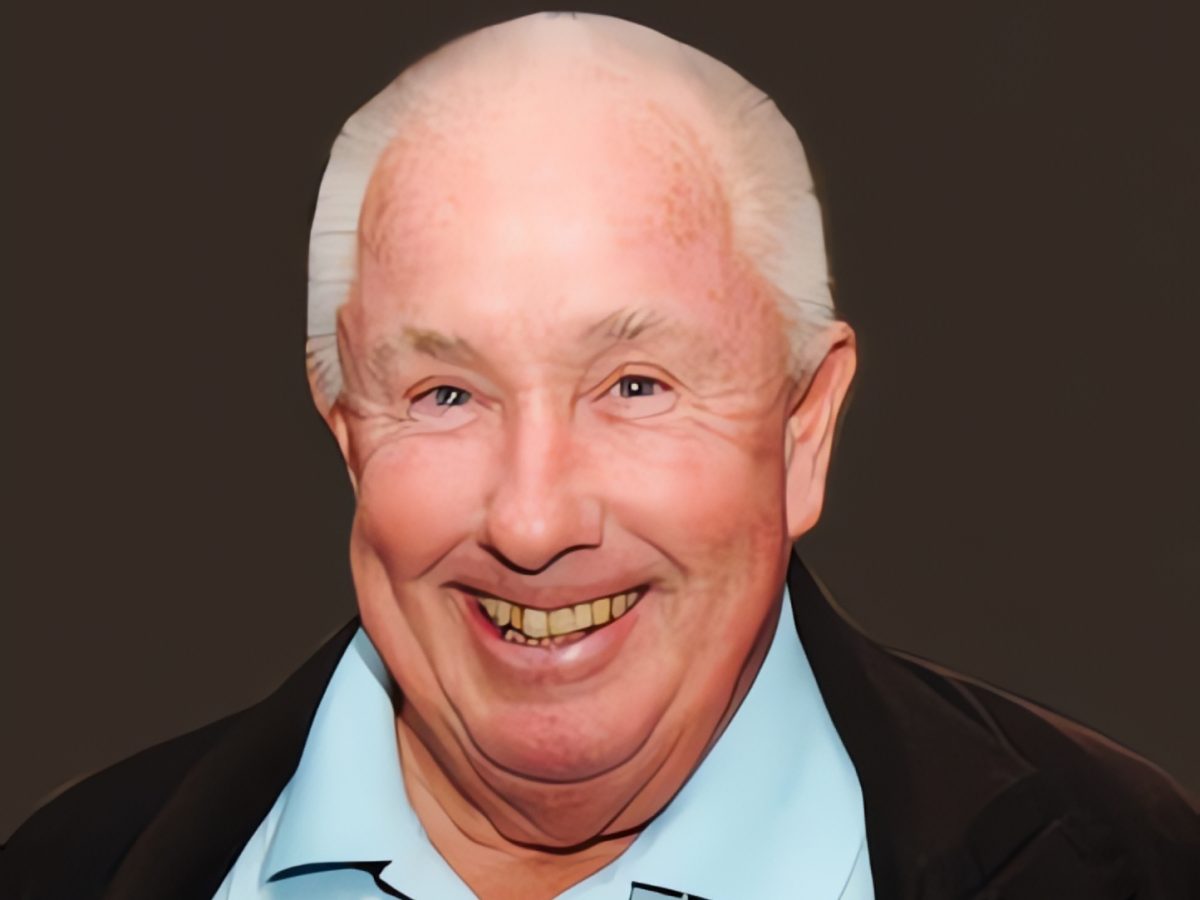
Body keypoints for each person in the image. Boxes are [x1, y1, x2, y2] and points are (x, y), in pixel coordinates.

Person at [3, 12, 1195, 900]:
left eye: (635, 385)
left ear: (803, 429)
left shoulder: (1135, 867)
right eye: (445, 391)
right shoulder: (68, 869)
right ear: (348, 430)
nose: (532, 519)